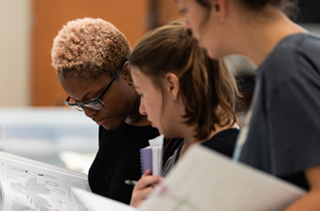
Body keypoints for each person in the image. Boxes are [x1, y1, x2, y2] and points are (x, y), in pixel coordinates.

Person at [176, 0, 320, 210]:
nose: (187, 25)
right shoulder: (295, 57)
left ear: (218, 6)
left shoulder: (287, 70)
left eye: (186, 11)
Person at [128, 21, 241, 207]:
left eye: (142, 94)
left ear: (172, 85)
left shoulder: (223, 160)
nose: (141, 110)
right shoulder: (181, 140)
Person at [51, 18, 159, 204]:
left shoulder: (164, 134)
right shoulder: (111, 120)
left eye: (93, 100)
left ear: (128, 73)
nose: (88, 113)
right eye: (78, 104)